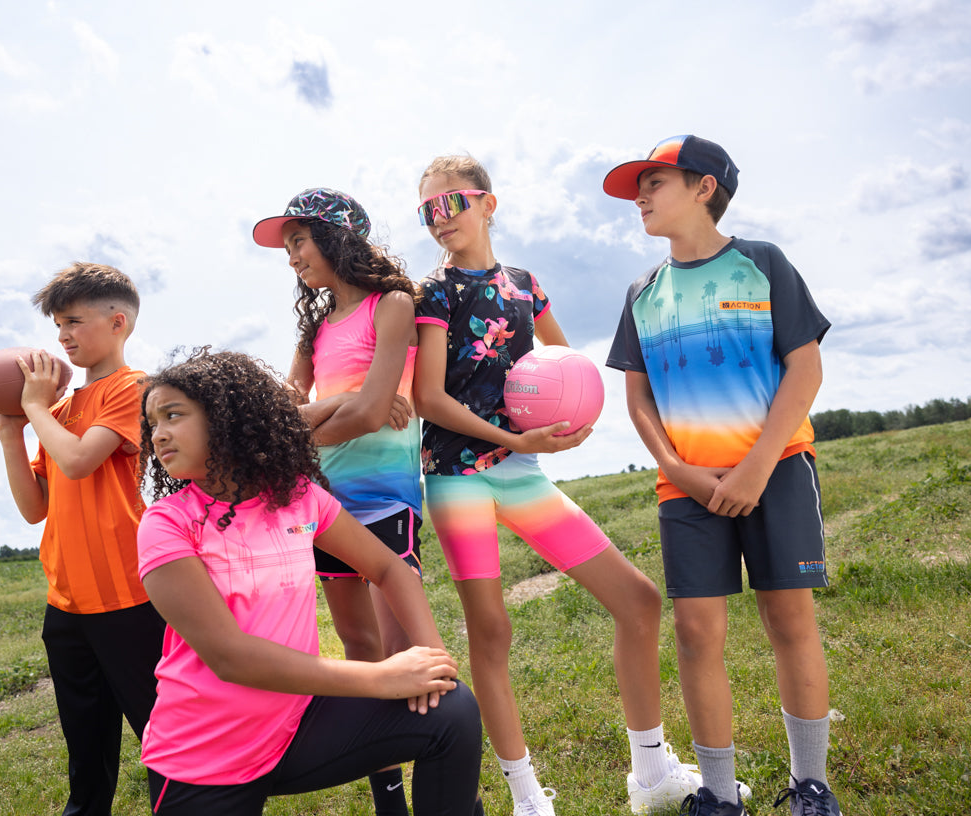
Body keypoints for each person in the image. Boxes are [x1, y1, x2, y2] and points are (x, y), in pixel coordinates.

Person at [413, 155, 721, 816]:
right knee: (490, 634)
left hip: (521, 472)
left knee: (637, 600)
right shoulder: (431, 292)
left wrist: (571, 422)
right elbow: (429, 399)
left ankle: (652, 779)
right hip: (457, 477)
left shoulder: (526, 285)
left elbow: (566, 367)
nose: (440, 221)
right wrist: (515, 439)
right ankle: (528, 800)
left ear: (487, 204)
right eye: (427, 211)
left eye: (451, 204)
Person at [134, 347, 482, 816]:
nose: (158, 434)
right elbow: (230, 657)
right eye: (152, 423)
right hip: (205, 758)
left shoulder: (299, 497)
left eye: (172, 415)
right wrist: (380, 676)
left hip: (297, 724)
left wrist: (431, 664)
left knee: (452, 710)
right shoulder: (166, 524)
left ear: (225, 419)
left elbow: (390, 569)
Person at [603, 135, 840, 816]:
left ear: (705, 186)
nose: (641, 198)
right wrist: (679, 468)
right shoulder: (642, 292)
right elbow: (639, 396)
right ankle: (716, 792)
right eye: (638, 188)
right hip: (687, 487)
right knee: (697, 633)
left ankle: (811, 785)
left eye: (656, 183)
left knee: (788, 620)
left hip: (779, 470)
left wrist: (756, 468)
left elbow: (805, 368)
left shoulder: (762, 263)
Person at [253, 187, 424, 815]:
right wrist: (338, 408)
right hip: (322, 503)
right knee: (358, 650)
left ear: (337, 236)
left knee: (404, 652)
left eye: (299, 240)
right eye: (289, 245)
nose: (292, 255)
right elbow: (277, 424)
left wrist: (330, 415)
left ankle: (439, 771)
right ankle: (390, 800)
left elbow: (376, 409)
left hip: (386, 499)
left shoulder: (393, 305)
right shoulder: (313, 331)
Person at [0, 261, 164, 816]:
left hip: (128, 596)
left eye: (72, 322)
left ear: (119, 323)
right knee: (85, 748)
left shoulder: (133, 389)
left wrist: (35, 408)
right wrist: (10, 429)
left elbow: (80, 459)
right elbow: (33, 508)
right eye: (57, 326)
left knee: (162, 735)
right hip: (66, 600)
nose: (62, 337)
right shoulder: (59, 410)